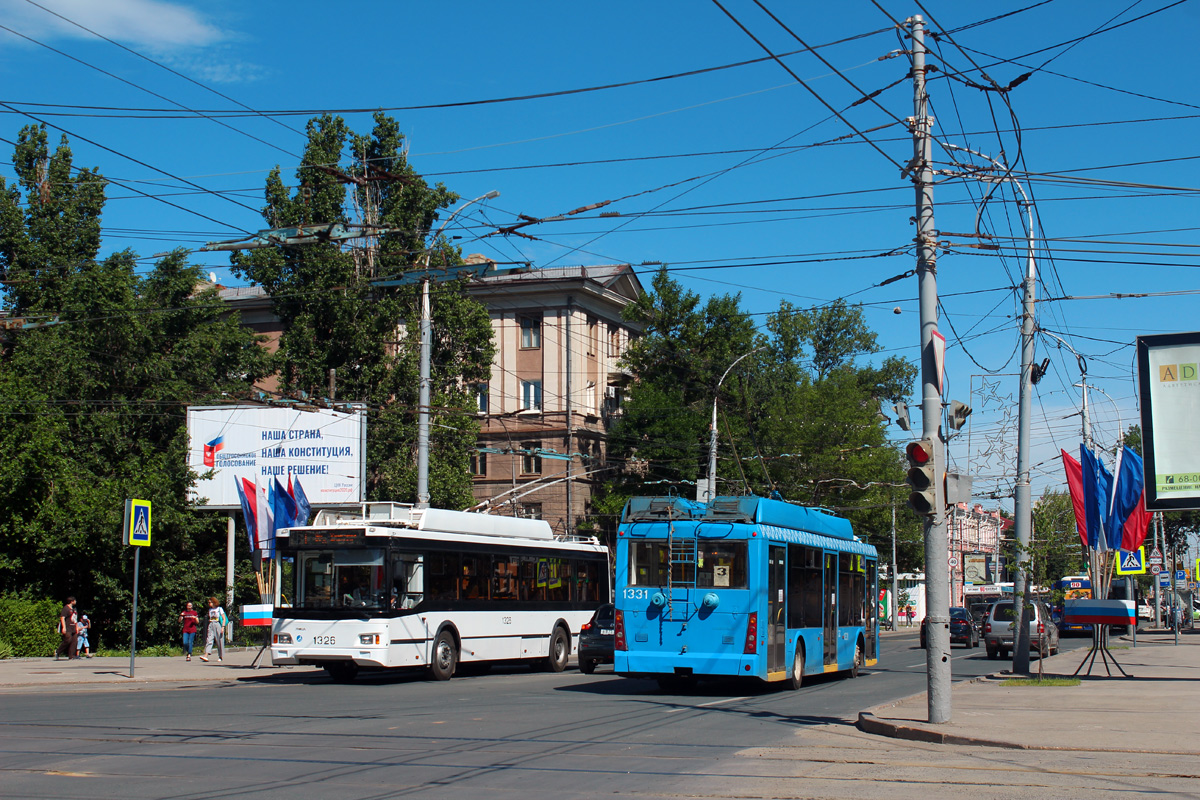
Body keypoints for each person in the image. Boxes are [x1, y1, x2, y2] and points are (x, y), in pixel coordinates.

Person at [199, 596, 226, 662]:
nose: (209, 604)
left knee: (219, 640)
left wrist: (223, 627)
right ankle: (206, 655)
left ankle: (220, 656)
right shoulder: (210, 610)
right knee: (209, 639)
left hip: (217, 624)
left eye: (210, 602)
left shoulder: (219, 609)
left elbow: (224, 618)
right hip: (211, 624)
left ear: (214, 602)